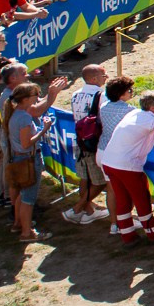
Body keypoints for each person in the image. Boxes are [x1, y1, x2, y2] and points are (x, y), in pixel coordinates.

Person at [100, 90, 154, 246]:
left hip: (109, 161)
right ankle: (153, 232)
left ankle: (127, 235)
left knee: (123, 199)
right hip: (127, 166)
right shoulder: (149, 120)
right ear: (153, 107)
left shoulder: (134, 114)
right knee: (141, 198)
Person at [3, 80, 66, 244]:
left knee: (22, 195)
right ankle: (27, 232)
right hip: (28, 159)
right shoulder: (24, 117)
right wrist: (43, 129)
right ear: (24, 99)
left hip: (19, 159)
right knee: (28, 199)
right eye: (35, 95)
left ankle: (18, 224)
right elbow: (26, 143)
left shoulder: (15, 113)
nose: (37, 98)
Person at [60, 63, 113, 226]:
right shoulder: (101, 95)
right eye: (104, 76)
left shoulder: (76, 94)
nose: (106, 78)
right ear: (94, 78)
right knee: (100, 181)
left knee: (85, 177)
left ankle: (88, 211)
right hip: (95, 142)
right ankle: (77, 208)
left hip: (80, 139)